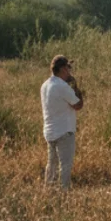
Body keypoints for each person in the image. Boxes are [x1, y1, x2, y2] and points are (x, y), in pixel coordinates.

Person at [41, 55, 84, 189]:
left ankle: (49, 190)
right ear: (63, 69)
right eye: (68, 68)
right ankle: (64, 192)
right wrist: (75, 87)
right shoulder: (62, 86)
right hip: (64, 131)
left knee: (52, 164)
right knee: (65, 165)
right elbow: (78, 105)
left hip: (50, 131)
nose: (70, 71)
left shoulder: (45, 85)